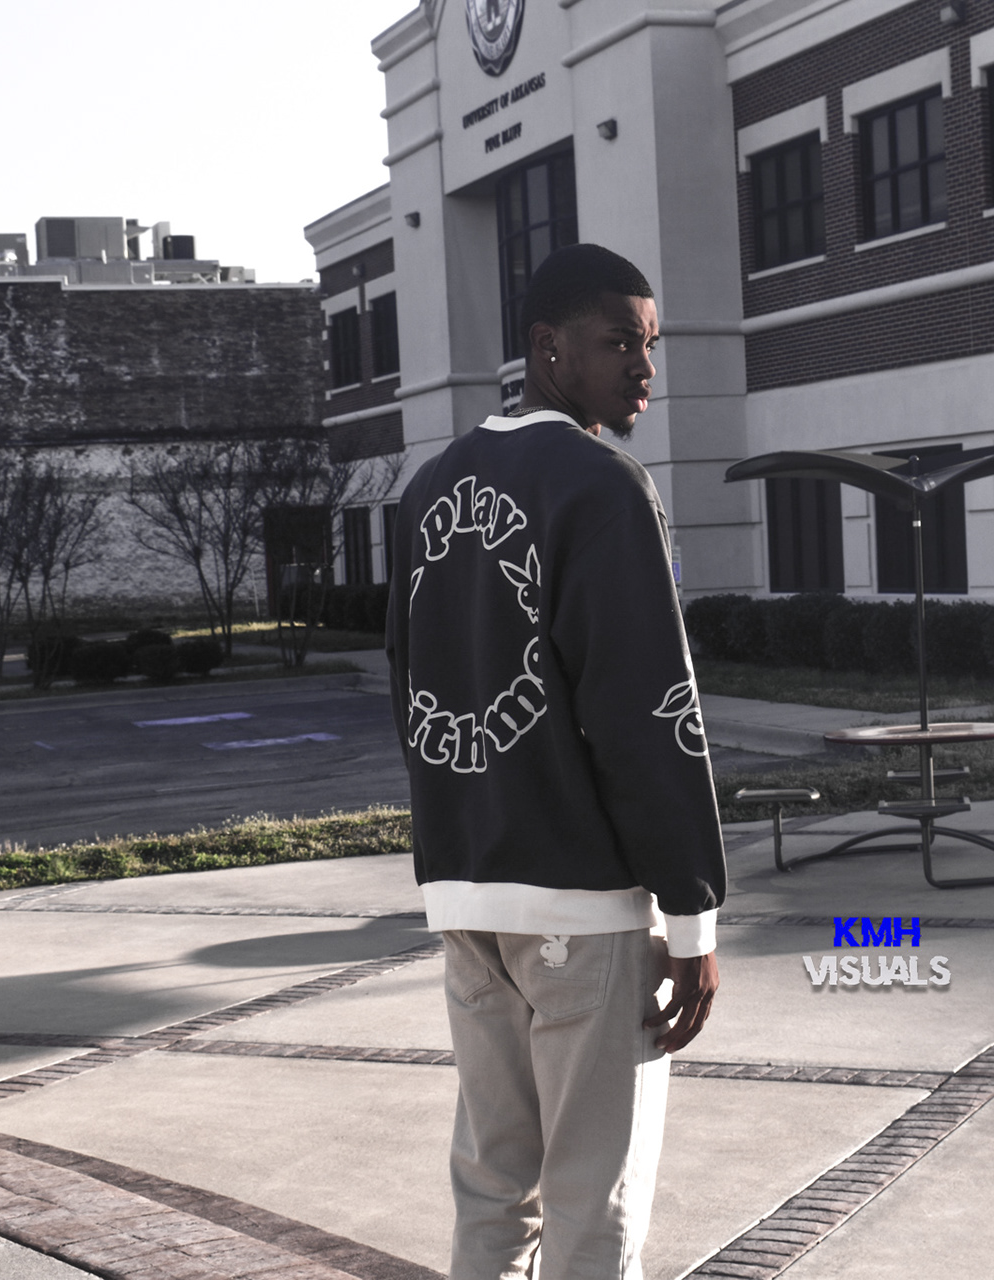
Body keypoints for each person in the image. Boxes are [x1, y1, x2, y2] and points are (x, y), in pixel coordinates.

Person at [385, 242, 727, 1280]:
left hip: (468, 893)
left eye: (650, 344)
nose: (644, 367)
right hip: (582, 900)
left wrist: (450, 857)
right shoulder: (603, 485)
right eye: (619, 342)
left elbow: (409, 692)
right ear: (548, 348)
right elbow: (647, 710)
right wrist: (692, 917)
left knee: (494, 1185)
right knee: (592, 1197)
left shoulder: (427, 489)